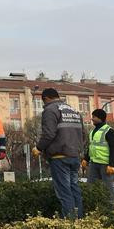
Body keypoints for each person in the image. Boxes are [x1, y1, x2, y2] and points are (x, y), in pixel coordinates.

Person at [32, 88, 85, 219]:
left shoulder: (50, 110)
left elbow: (49, 133)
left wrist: (38, 148)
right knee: (74, 189)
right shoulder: (73, 110)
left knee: (64, 191)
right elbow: (83, 134)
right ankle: (80, 219)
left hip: (59, 157)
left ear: (45, 98)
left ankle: (70, 222)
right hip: (74, 156)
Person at [82, 108, 114, 205]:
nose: (92, 119)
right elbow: (91, 146)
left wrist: (111, 164)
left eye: (94, 117)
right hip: (94, 163)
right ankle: (93, 205)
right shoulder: (93, 131)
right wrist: (86, 158)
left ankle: (112, 207)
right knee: (90, 186)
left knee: (108, 187)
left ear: (100, 118)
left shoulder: (109, 131)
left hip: (105, 164)